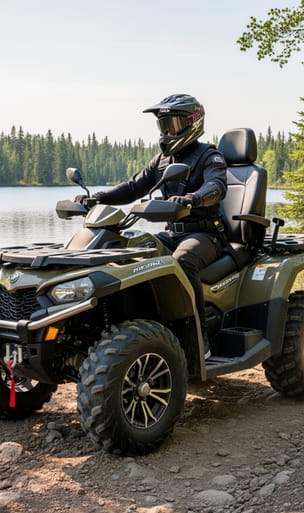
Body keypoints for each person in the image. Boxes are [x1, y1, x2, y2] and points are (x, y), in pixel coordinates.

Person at [82, 93, 227, 356]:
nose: (166, 131)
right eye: (163, 125)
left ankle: (197, 339)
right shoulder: (161, 161)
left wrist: (194, 198)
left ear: (192, 122)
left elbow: (216, 186)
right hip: (172, 234)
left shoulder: (209, 156)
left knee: (183, 262)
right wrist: (98, 198)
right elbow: (133, 187)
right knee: (130, 253)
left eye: (171, 124)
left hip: (205, 235)